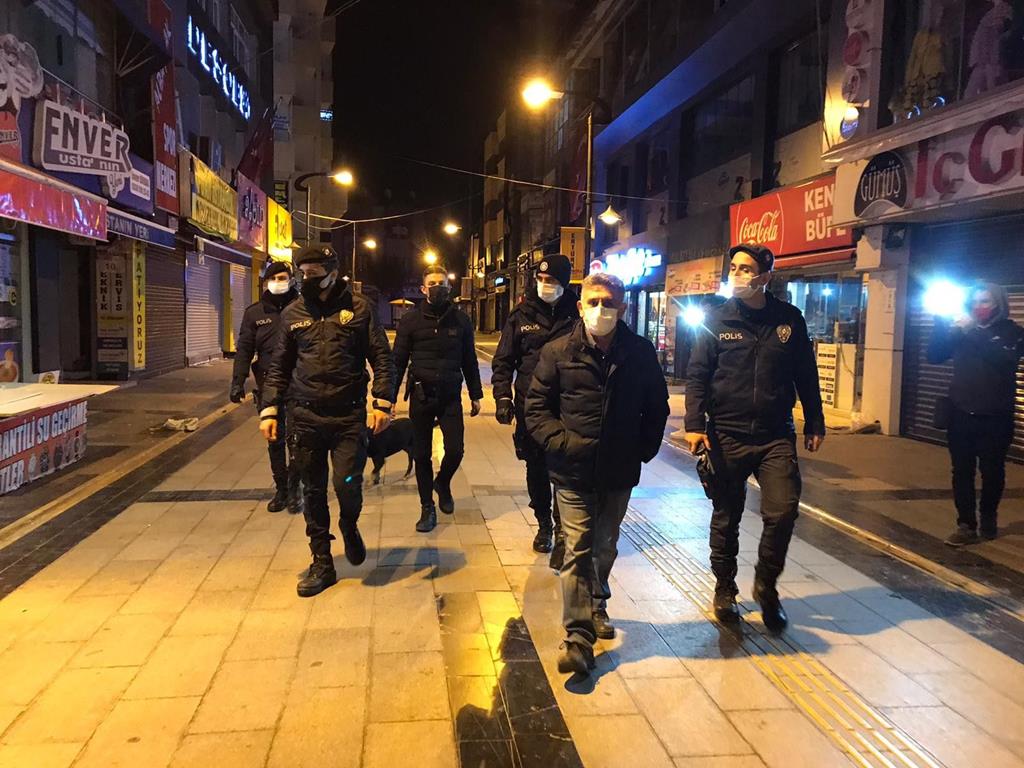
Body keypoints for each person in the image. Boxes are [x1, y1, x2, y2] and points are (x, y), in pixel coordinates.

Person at [525, 272, 669, 676]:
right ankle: (578, 638)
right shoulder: (558, 351)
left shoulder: (639, 352)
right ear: (580, 306)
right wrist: (563, 445)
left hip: (619, 471)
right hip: (571, 472)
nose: (601, 309)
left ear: (623, 307)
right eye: (593, 302)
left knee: (605, 545)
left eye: (609, 302)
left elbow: (657, 407)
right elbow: (536, 408)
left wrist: (642, 450)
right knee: (577, 547)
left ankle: (597, 603)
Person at [684, 243, 824, 632]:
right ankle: (725, 587)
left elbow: (806, 374)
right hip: (726, 434)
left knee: (783, 511)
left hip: (775, 434)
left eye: (746, 269)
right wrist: (695, 423)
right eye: (733, 267)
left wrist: (815, 420)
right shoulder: (716, 318)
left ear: (765, 276)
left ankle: (766, 585)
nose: (737, 274)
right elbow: (697, 374)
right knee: (726, 515)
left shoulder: (789, 320)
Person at [259, 247, 395, 597]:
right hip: (305, 417)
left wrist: (382, 401)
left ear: (334, 273)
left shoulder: (359, 309)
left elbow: (381, 357)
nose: (307, 279)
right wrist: (269, 407)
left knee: (347, 483)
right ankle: (321, 561)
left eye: (314, 273)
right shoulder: (293, 313)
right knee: (313, 490)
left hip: (348, 416)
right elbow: (279, 365)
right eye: (303, 273)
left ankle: (349, 523)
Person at [492, 254, 579, 563]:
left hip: (568, 405)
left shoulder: (577, 314)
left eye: (551, 280)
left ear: (564, 283)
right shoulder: (521, 314)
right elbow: (504, 360)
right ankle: (544, 524)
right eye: (540, 280)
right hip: (531, 406)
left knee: (566, 470)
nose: (544, 285)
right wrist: (502, 397)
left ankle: (563, 529)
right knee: (537, 468)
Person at [928, 282, 1024, 546]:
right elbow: (935, 355)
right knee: (961, 471)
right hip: (960, 413)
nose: (979, 307)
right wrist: (940, 323)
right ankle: (966, 524)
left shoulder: (1013, 333)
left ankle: (988, 515)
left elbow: (1005, 358)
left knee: (992, 471)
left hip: (996, 416)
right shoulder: (961, 331)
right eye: (975, 301)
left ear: (998, 304)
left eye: (985, 301)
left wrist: (973, 331)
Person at [393, 264, 483, 533]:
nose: (437, 288)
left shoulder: (461, 320)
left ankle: (442, 482)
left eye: (441, 284)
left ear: (449, 287)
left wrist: (476, 394)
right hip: (421, 396)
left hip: (450, 397)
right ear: (423, 289)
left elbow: (469, 360)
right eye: (432, 284)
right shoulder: (410, 321)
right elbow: (398, 361)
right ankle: (427, 508)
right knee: (421, 455)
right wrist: (388, 398)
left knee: (455, 450)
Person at [230, 260, 301, 514]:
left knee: (296, 439)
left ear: (291, 280)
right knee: (274, 439)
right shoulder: (254, 313)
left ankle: (295, 489)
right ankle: (281, 490)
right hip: (268, 385)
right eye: (274, 278)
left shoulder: (302, 308)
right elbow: (244, 349)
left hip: (298, 384)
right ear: (265, 282)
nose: (279, 282)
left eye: (283, 278)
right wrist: (237, 381)